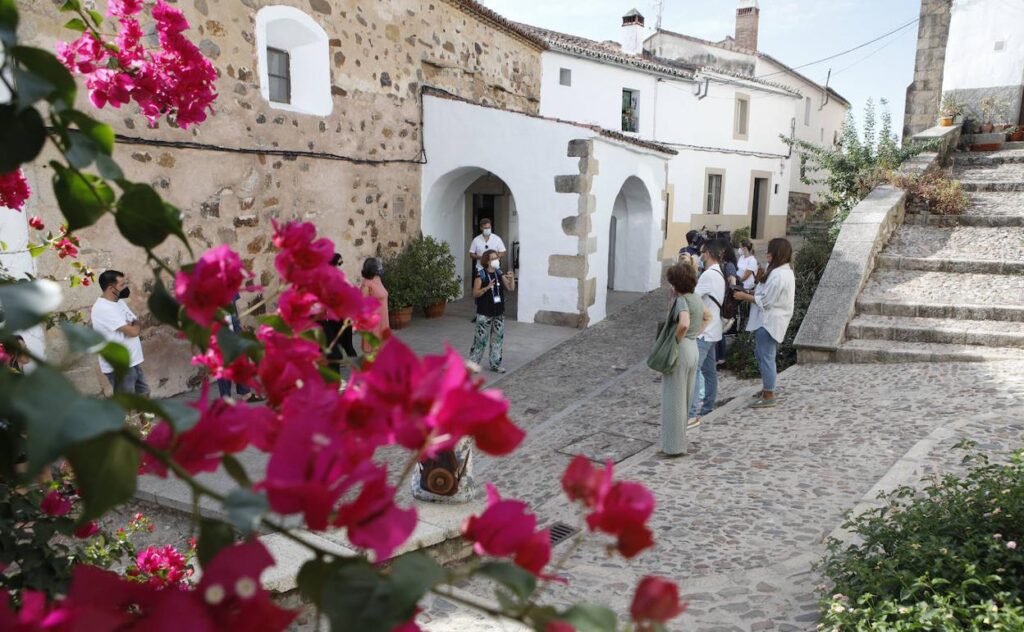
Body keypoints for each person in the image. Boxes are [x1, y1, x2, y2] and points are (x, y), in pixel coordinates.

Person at [734, 238, 796, 409]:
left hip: (770, 321)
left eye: (770, 250)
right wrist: (752, 290)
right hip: (768, 320)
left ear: (777, 253)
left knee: (766, 357)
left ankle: (769, 394)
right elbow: (765, 293)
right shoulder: (778, 271)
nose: (767, 253)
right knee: (762, 355)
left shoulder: (779, 274)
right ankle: (767, 388)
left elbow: (766, 300)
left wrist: (744, 296)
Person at [660, 262, 711, 456]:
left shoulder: (682, 301)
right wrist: (694, 334)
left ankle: (673, 447)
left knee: (674, 399)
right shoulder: (696, 298)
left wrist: (676, 340)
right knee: (686, 398)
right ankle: (678, 442)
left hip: (681, 349)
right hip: (693, 348)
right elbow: (708, 316)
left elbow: (683, 323)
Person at [91, 270, 149, 396]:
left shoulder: (119, 302)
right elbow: (134, 331)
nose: (125, 287)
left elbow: (135, 321)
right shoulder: (103, 308)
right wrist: (135, 324)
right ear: (111, 288)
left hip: (132, 361)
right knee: (126, 404)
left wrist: (135, 323)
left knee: (144, 394)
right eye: (122, 285)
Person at [687, 240, 726, 425]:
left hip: (704, 332)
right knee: (709, 372)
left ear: (708, 253)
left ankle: (692, 414)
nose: (701, 255)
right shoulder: (719, 273)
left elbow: (693, 299)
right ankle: (708, 407)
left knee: (694, 372)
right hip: (714, 330)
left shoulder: (708, 275)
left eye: (702, 252)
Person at [469, 249, 515, 373]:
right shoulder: (481, 275)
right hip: (484, 312)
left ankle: (496, 364)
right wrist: (487, 288)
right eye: (494, 258)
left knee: (497, 340)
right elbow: (475, 293)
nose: (497, 260)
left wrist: (512, 278)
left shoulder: (499, 273)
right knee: (480, 341)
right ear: (487, 261)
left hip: (499, 312)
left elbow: (511, 288)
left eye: (497, 258)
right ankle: (472, 365)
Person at [319, 253, 360, 370]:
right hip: (341, 314)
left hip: (335, 315)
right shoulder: (339, 275)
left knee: (337, 342)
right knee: (346, 343)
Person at [217, 294, 261, 401]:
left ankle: (245, 393)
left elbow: (236, 306)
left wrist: (240, 324)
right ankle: (225, 398)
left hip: (234, 328)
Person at [715, 238, 739, 366]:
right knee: (717, 330)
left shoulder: (729, 265)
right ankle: (719, 357)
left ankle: (721, 357)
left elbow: (732, 284)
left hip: (722, 302)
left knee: (719, 330)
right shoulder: (720, 264)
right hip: (717, 300)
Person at [358, 257, 390, 354]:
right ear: (372, 269)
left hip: (383, 317)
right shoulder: (366, 284)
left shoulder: (377, 279)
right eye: (377, 267)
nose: (380, 269)